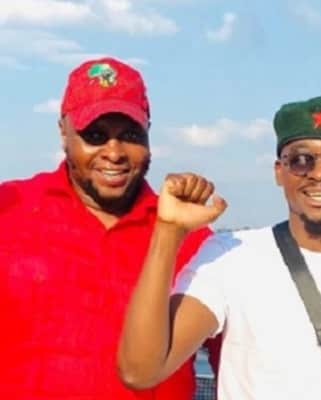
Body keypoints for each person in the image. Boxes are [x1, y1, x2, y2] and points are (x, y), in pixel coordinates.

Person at [117, 96, 321, 399]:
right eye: (300, 160)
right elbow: (140, 371)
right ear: (279, 172)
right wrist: (169, 231)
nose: (320, 173)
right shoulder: (230, 257)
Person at [0, 57, 213, 399]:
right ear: (63, 132)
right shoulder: (9, 210)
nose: (114, 153)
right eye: (95, 136)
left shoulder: (194, 238)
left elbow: (246, 361)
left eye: (130, 135)